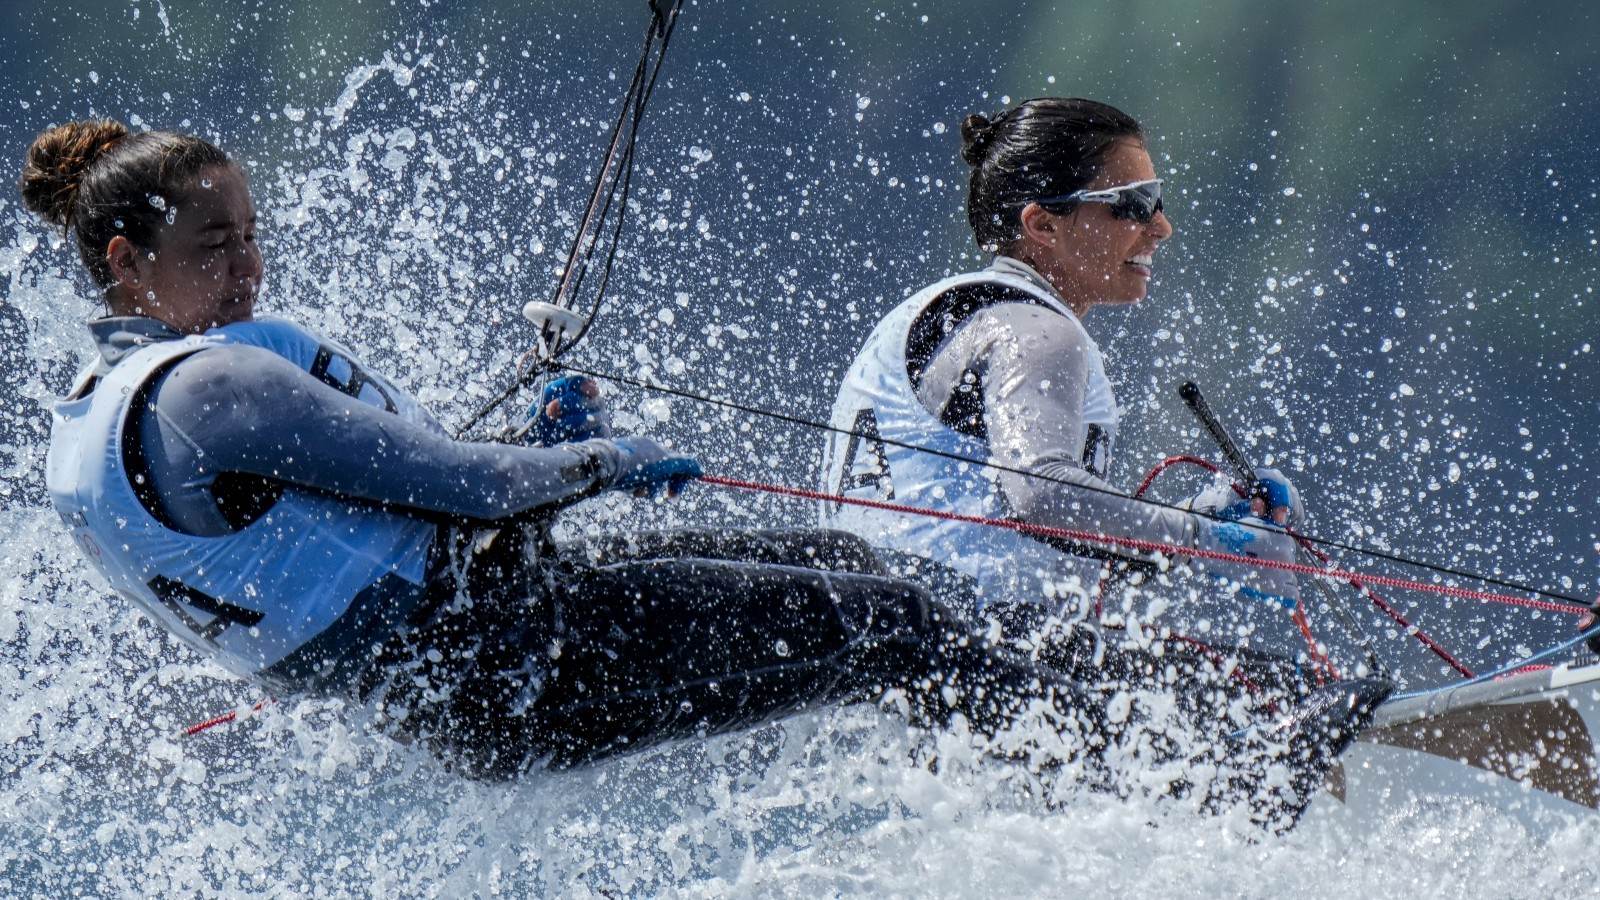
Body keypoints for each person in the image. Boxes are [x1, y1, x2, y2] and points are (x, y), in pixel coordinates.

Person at [820, 98, 1322, 693]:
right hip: (964, 642)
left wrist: (1191, 522)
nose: (1161, 227)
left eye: (1157, 203)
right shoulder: (1037, 330)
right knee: (1275, 693)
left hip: (900, 650)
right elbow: (1038, 494)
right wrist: (1207, 542)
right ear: (1044, 225)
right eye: (1133, 205)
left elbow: (1007, 521)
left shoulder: (965, 311)